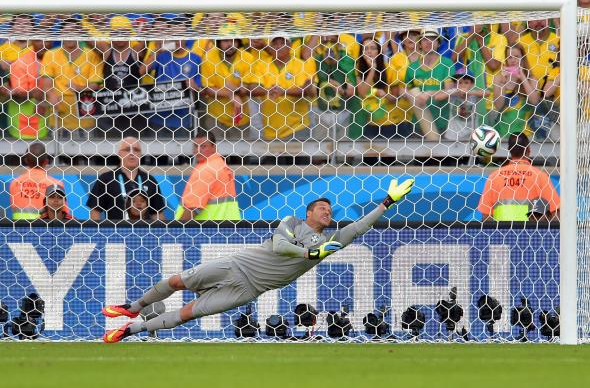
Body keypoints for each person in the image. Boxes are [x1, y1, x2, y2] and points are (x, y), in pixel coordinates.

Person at [102, 178, 415, 342]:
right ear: (309, 213)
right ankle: (133, 306)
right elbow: (280, 245)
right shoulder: (292, 222)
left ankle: (130, 330)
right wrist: (308, 253)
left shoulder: (330, 242)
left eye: (330, 210)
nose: (327, 212)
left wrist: (387, 202)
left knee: (186, 314)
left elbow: (359, 227)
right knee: (176, 281)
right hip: (236, 264)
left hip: (248, 290)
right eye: (322, 208)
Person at [477, 133, 560, 221]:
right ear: (529, 150)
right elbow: (555, 214)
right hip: (531, 230)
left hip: (502, 229)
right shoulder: (540, 176)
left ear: (509, 150)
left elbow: (486, 217)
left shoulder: (494, 177)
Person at [87, 137, 166, 221]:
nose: (132, 153)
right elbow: (95, 213)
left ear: (140, 154)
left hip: (144, 229)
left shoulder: (150, 180)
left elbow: (158, 216)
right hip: (116, 229)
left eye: (136, 150)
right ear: (119, 153)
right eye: (127, 150)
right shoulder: (106, 179)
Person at [175, 130, 241, 221]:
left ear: (214, 147)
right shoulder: (221, 165)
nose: (198, 151)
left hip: (206, 226)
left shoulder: (206, 170)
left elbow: (194, 207)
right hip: (228, 224)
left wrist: (177, 228)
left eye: (203, 146)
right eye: (195, 146)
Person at [10, 142, 69, 220]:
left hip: (19, 226)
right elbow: (63, 213)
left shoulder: (15, 183)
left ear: (26, 160)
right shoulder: (55, 184)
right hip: (44, 226)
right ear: (46, 161)